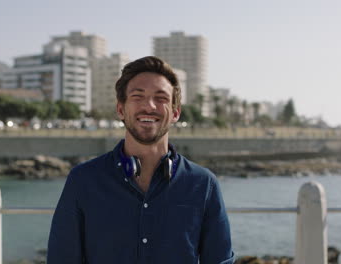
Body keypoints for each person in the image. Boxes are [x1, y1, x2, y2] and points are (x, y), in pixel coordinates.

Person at [47, 56, 234, 263]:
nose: (149, 106)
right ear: (121, 110)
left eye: (161, 98)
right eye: (138, 96)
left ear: (175, 113)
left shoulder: (203, 184)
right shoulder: (83, 180)